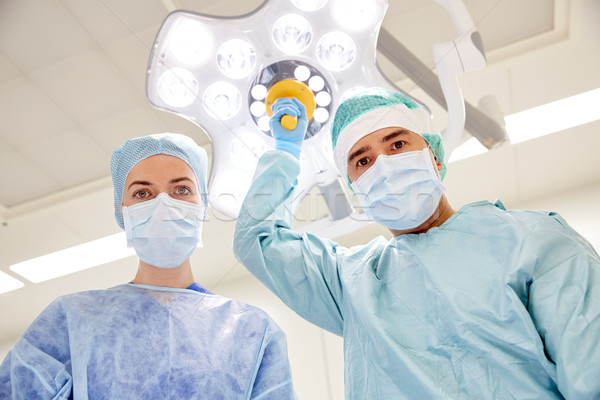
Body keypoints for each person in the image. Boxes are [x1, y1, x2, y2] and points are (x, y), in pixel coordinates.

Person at [233, 89, 600, 399]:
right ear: (357, 190)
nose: (384, 165)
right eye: (363, 160)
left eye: (397, 143)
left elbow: (590, 370)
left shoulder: (531, 239)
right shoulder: (351, 282)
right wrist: (284, 151)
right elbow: (257, 239)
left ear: (434, 157)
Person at [0, 133, 296, 399]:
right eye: (143, 193)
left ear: (202, 205)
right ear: (123, 212)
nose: (163, 205)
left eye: (181, 190)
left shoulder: (251, 332)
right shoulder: (72, 320)